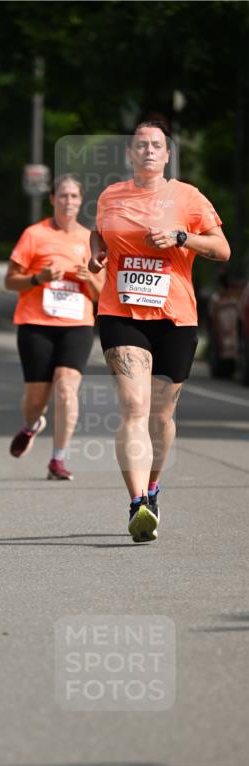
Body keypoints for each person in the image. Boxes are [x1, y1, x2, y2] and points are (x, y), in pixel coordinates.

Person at [89, 120, 230, 542]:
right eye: (140, 146)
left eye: (156, 145)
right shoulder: (111, 196)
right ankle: (136, 505)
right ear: (130, 154)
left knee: (161, 416)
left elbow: (222, 250)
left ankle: (152, 488)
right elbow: (100, 234)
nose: (148, 151)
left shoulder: (188, 197)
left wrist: (181, 237)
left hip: (175, 317)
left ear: (167, 154)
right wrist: (97, 253)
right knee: (134, 406)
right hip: (120, 313)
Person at [5, 175, 104, 480]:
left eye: (74, 196)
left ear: (81, 200)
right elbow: (10, 281)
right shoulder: (34, 234)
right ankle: (33, 424)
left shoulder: (91, 239)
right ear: (52, 199)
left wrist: (90, 280)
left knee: (65, 388)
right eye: (63, 196)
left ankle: (58, 459)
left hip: (77, 325)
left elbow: (103, 295)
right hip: (36, 323)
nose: (69, 201)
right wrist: (40, 277)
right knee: (36, 401)